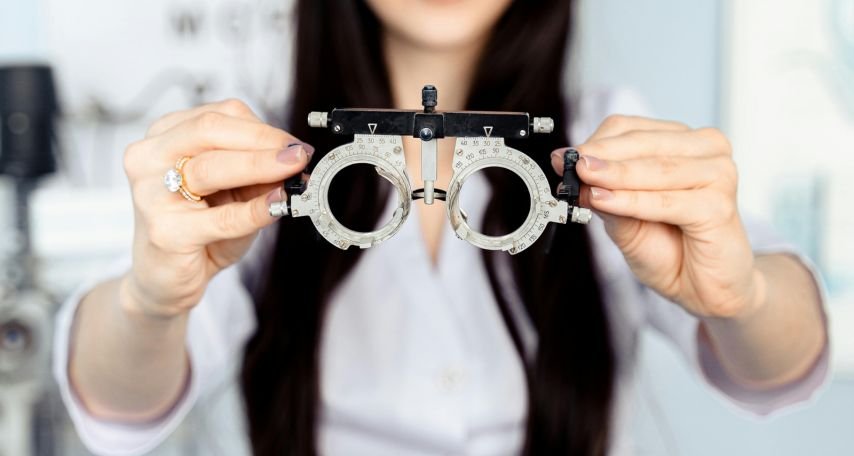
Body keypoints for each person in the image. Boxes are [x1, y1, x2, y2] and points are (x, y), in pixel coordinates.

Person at [54, 0, 829, 455]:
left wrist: (744, 296)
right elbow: (121, 404)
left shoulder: (605, 139)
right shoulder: (256, 149)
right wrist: (149, 301)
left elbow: (781, 363)